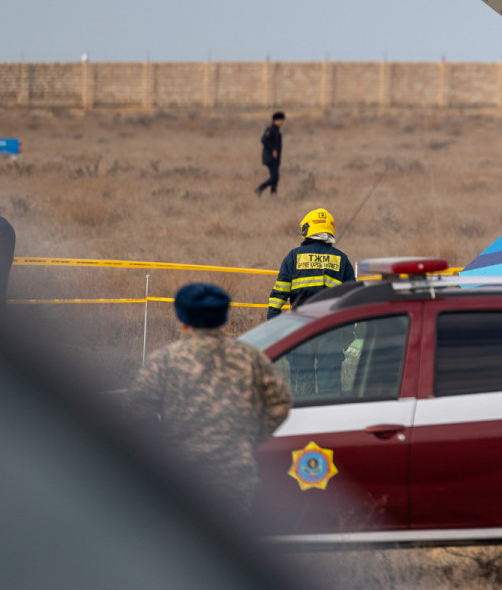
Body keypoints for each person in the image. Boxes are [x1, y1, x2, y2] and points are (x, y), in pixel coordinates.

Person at [125, 283, 293, 512]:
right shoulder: (248, 356)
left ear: (182, 319)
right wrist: (248, 438)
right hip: (234, 473)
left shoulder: (164, 360)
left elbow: (135, 412)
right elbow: (280, 402)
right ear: (223, 318)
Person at [266, 208, 354, 318]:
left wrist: (272, 322)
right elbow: (351, 297)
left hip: (301, 321)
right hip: (330, 324)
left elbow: (278, 295)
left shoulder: (294, 256)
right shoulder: (341, 258)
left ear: (307, 228)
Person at [255, 111, 285, 196]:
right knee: (275, 177)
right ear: (276, 120)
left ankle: (273, 196)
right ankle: (259, 189)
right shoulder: (270, 130)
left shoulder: (277, 131)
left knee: (275, 178)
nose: (282, 122)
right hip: (270, 158)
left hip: (275, 159)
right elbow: (264, 140)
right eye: (281, 120)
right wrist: (273, 150)